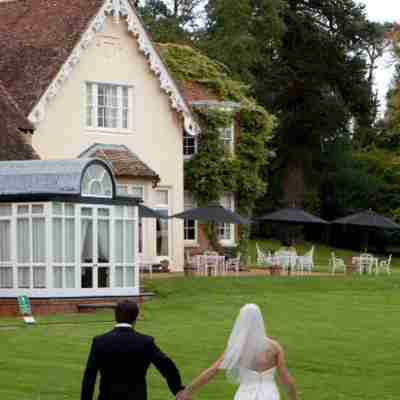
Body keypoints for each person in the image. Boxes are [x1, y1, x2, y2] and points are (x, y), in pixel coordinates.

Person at [178, 304, 297, 400]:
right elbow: (286, 378)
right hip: (269, 394)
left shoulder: (238, 348)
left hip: (245, 395)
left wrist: (188, 391)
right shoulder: (274, 347)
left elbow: (213, 371)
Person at [81, 301, 186, 400]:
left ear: (115, 316)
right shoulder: (145, 342)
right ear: (135, 318)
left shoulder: (100, 341)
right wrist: (177, 389)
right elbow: (167, 367)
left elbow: (89, 376)